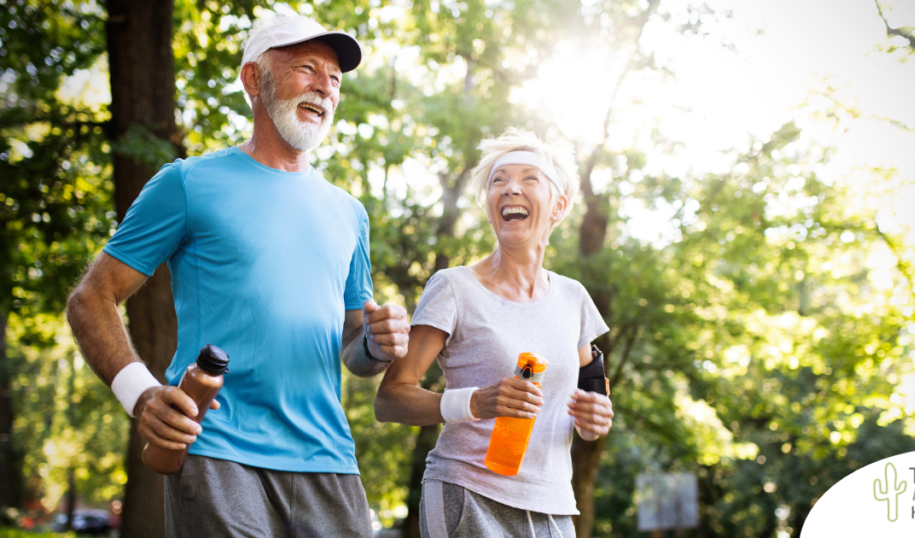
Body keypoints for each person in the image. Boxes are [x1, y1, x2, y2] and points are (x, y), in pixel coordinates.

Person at [66, 15, 409, 538]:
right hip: (218, 451)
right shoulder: (188, 182)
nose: (324, 86)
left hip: (329, 459)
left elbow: (352, 347)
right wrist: (141, 394)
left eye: (335, 78)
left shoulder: (349, 213)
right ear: (254, 80)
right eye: (307, 69)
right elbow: (91, 298)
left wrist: (379, 345)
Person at [374, 127, 615, 538]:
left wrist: (596, 419)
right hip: (468, 493)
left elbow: (592, 390)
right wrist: (477, 402)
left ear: (558, 206)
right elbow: (390, 399)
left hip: (553, 505)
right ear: (489, 206)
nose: (510, 189)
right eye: (498, 181)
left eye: (529, 179)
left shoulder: (574, 299)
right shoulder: (454, 287)